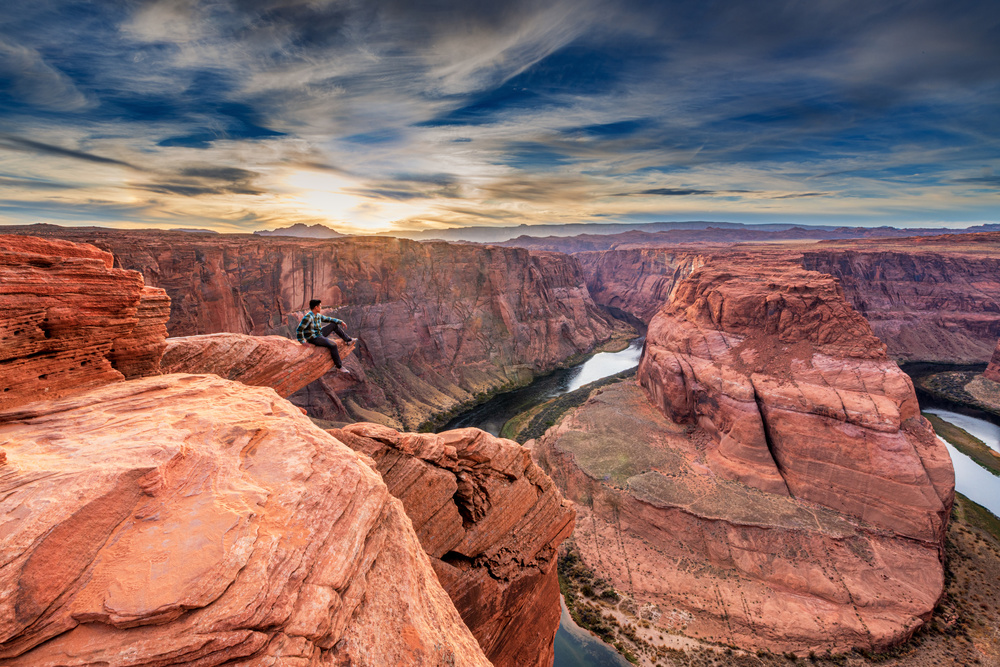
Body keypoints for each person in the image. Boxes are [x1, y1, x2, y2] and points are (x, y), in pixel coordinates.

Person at [296, 299, 353, 373]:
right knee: (333, 345)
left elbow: (328, 319)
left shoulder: (317, 315)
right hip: (313, 338)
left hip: (319, 334)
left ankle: (348, 340)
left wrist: (340, 322)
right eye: (320, 306)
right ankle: (339, 367)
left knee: (333, 325)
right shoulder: (308, 317)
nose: (321, 307)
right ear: (316, 307)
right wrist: (302, 341)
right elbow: (299, 329)